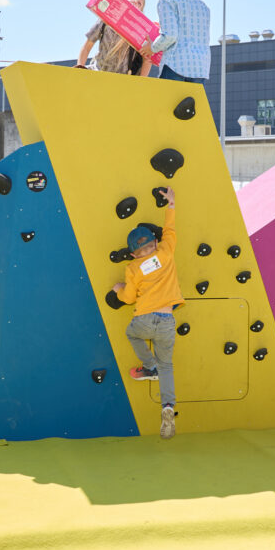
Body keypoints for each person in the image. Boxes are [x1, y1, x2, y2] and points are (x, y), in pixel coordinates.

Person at [112, 187, 184, 440]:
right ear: (154, 243)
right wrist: (171, 204)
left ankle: (148, 365)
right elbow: (171, 230)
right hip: (166, 320)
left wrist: (119, 289)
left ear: (133, 253)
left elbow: (129, 298)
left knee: (132, 335)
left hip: (142, 319)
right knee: (168, 365)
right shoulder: (165, 253)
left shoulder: (132, 268)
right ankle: (167, 407)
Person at [139, 0, 211, 83]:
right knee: (192, 103)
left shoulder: (166, 0)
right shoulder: (203, 5)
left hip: (176, 65)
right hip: (200, 68)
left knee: (167, 103)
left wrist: (152, 48)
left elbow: (170, 35)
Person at [75, 0, 152, 77]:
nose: (135, 2)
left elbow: (147, 60)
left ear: (141, 11)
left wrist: (141, 82)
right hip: (98, 71)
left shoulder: (141, 32)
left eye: (139, 3)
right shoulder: (105, 19)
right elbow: (87, 46)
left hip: (121, 79)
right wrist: (79, 69)